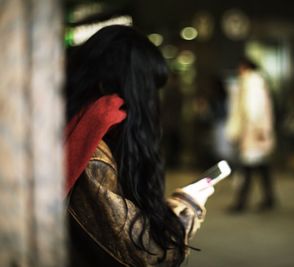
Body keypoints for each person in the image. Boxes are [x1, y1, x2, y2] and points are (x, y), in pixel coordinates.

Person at [65, 25, 214, 267]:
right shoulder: (93, 154)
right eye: (150, 89)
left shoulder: (71, 125)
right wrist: (188, 207)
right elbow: (145, 254)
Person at [226, 57, 276, 212]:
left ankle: (241, 202)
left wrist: (258, 129)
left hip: (252, 132)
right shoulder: (257, 81)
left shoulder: (252, 82)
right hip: (257, 131)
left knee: (247, 167)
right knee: (260, 165)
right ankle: (269, 198)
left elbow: (253, 109)